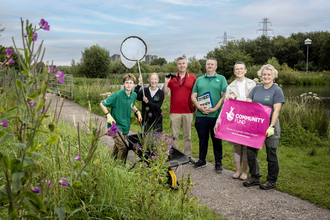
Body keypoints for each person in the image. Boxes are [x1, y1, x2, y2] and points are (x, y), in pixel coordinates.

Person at [243, 64, 285, 190]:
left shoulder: (277, 90)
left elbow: (276, 111)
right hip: (255, 126)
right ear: (261, 75)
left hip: (270, 126)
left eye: (269, 74)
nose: (266, 77)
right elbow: (249, 106)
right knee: (250, 153)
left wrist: (271, 126)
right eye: (264, 74)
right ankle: (255, 177)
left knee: (271, 154)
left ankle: (272, 180)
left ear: (273, 76)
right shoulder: (256, 89)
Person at [214, 61, 256, 180]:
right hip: (235, 119)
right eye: (237, 69)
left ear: (245, 70)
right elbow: (225, 106)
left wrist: (237, 99)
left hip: (248, 118)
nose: (239, 71)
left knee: (246, 146)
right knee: (237, 146)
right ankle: (237, 171)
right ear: (234, 71)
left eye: (241, 68)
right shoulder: (230, 86)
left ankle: (245, 172)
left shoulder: (252, 84)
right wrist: (218, 122)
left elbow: (252, 101)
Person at [191, 58, 227, 172]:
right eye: (208, 64)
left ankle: (218, 162)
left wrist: (215, 108)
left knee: (216, 139)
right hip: (201, 115)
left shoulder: (221, 79)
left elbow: (224, 96)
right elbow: (193, 96)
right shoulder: (199, 80)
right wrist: (199, 107)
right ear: (205, 66)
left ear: (216, 67)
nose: (210, 66)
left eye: (212, 64)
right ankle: (202, 160)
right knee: (202, 139)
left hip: (216, 115)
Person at [100, 73, 142, 161]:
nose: (129, 85)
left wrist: (137, 111)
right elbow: (102, 104)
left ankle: (111, 162)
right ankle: (120, 167)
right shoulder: (117, 95)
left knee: (117, 146)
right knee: (123, 148)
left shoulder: (134, 95)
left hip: (125, 125)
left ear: (134, 84)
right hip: (115, 125)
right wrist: (108, 115)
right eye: (127, 82)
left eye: (131, 83)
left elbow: (131, 104)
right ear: (123, 84)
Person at [163, 57, 196, 164]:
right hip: (175, 111)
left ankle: (188, 156)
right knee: (174, 135)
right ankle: (174, 155)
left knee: (187, 135)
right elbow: (165, 92)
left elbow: (196, 94)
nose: (181, 65)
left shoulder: (193, 78)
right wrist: (165, 82)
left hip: (188, 111)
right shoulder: (172, 78)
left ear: (186, 65)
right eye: (179, 64)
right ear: (177, 65)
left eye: (183, 63)